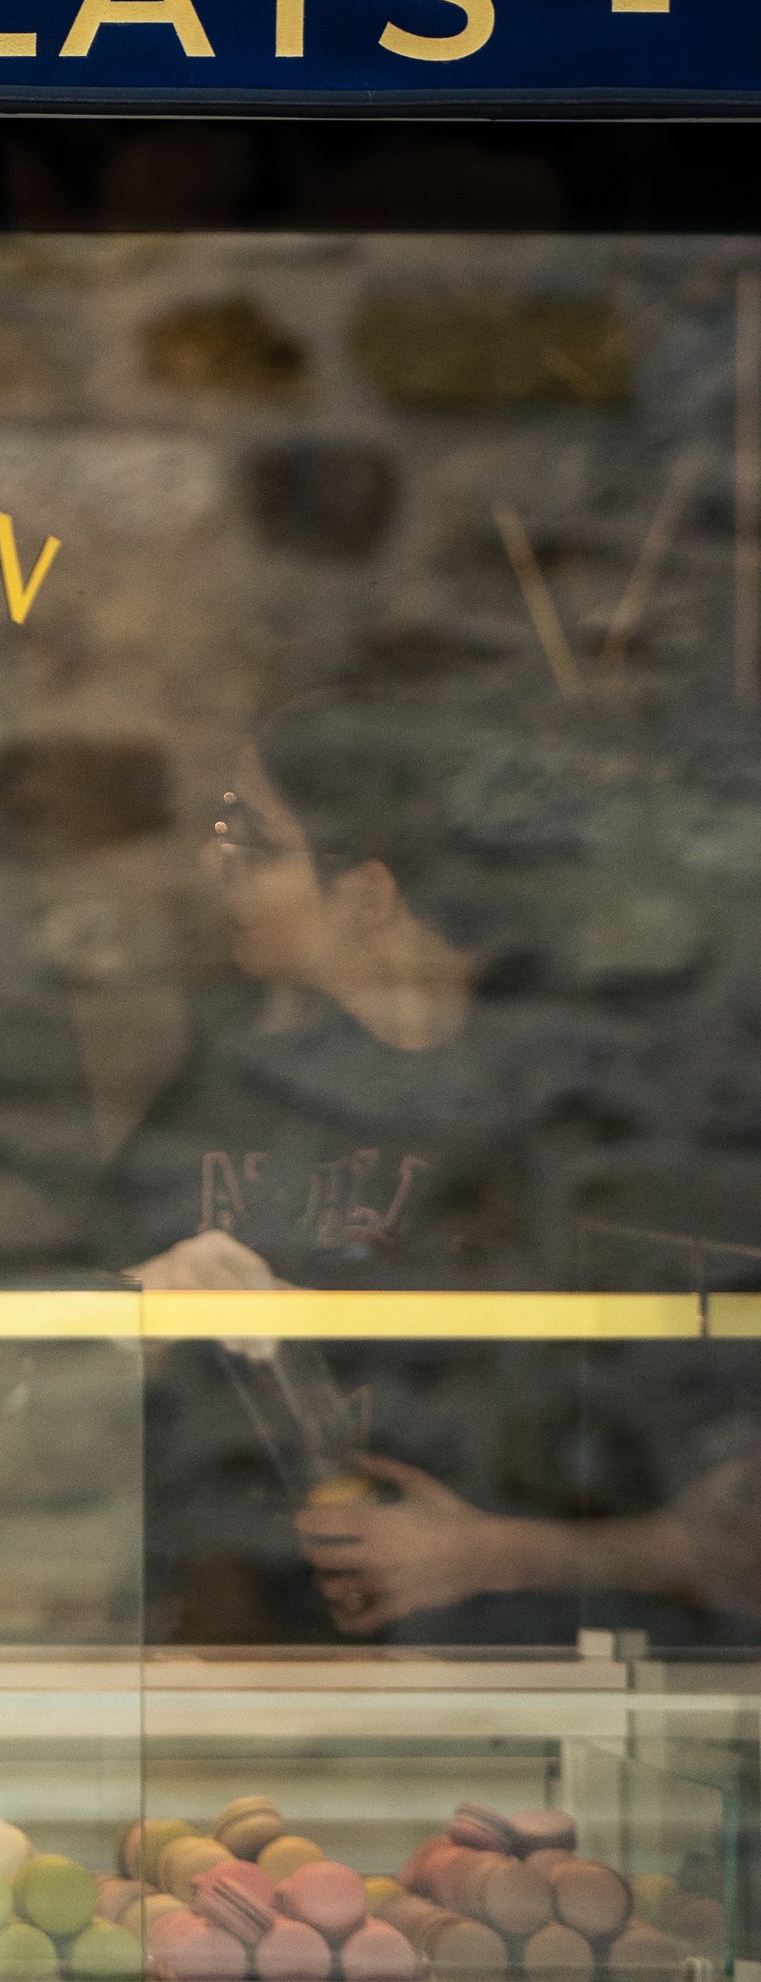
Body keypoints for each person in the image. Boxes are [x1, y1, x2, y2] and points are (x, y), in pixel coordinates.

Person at [108, 688, 761, 1647]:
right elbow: (47, 1351)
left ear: (368, 895)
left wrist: (496, 1553)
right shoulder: (234, 1085)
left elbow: (731, 1535)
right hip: (243, 1677)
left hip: (546, 1713)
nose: (213, 861)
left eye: (249, 836)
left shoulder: (588, 1121)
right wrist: (136, 1316)